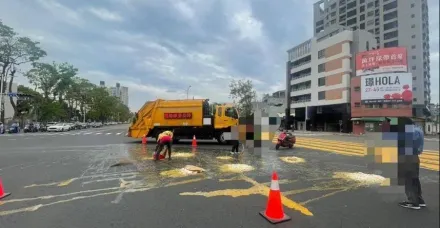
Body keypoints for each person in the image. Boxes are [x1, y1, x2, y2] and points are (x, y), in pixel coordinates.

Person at [398, 118, 426, 210]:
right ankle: (419, 200)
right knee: (414, 179)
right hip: (415, 157)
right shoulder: (418, 130)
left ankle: (413, 202)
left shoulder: (407, 133)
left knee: (409, 179)